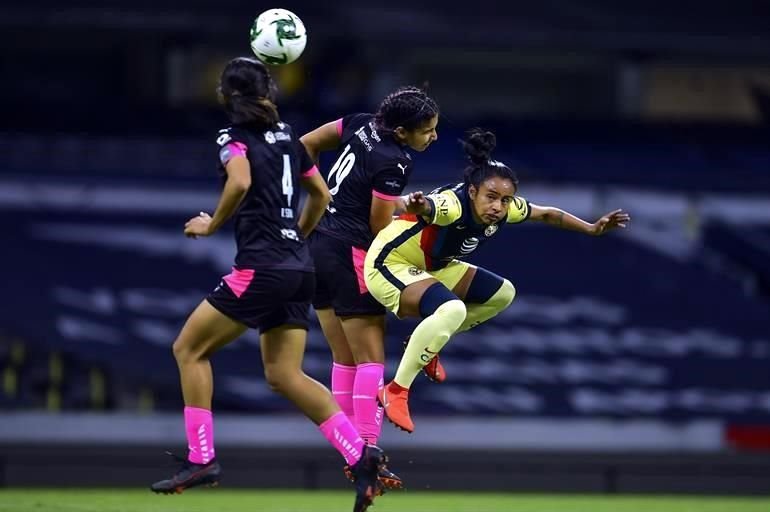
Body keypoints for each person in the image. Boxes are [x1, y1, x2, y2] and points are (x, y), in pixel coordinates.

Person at [149, 57, 389, 512]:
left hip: (260, 269)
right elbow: (320, 194)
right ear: (269, 93)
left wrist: (212, 223)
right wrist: (298, 234)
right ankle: (361, 456)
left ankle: (202, 459)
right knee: (284, 375)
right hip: (299, 268)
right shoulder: (288, 139)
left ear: (226, 96)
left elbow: (238, 182)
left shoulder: (232, 138)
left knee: (188, 350)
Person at [365, 128, 631, 433]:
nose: (498, 207)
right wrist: (414, 205)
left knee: (503, 293)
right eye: (491, 197)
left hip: (432, 266)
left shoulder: (506, 209)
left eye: (505, 200)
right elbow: (423, 205)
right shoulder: (453, 205)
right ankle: (396, 390)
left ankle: (427, 343)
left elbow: (547, 214)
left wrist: (592, 229)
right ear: (473, 191)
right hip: (389, 263)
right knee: (453, 311)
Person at [299, 87, 439, 486]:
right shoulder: (393, 162)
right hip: (351, 255)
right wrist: (415, 224)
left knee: (344, 358)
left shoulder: (360, 124)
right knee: (370, 359)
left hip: (318, 246)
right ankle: (368, 451)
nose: (433, 137)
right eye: (427, 130)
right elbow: (379, 226)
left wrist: (317, 198)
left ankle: (352, 452)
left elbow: (306, 144)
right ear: (401, 131)